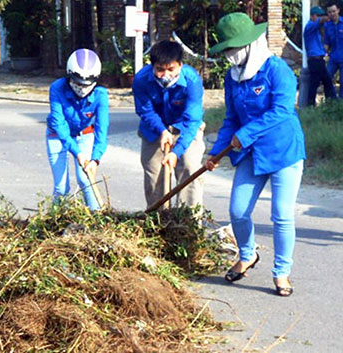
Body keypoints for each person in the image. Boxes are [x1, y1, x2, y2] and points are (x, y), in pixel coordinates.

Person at [206, 13, 305, 297]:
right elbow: (231, 119)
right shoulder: (232, 77)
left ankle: (282, 273)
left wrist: (245, 134)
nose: (228, 56)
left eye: (232, 49)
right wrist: (215, 153)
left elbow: (282, 111)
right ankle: (247, 254)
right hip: (250, 153)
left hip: (283, 150)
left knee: (282, 215)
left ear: (249, 44)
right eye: (225, 51)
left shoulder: (277, 71)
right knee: (237, 211)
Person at [131, 40, 205, 209]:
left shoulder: (192, 80)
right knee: (155, 175)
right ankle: (159, 223)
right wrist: (162, 131)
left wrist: (176, 152)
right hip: (154, 130)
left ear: (180, 65)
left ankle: (188, 223)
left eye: (171, 69)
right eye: (159, 69)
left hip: (185, 128)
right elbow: (146, 111)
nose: (165, 75)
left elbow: (192, 120)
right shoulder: (141, 80)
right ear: (152, 67)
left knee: (190, 168)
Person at [46, 48, 109, 211]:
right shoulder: (57, 88)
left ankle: (97, 219)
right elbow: (59, 124)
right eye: (77, 83)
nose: (82, 88)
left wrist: (95, 159)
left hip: (85, 135)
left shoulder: (101, 95)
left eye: (87, 85)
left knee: (86, 179)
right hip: (57, 136)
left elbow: (102, 131)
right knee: (61, 188)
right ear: (69, 76)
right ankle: (55, 220)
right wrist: (77, 153)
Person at [304, 6, 335, 105]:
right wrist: (327, 17)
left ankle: (313, 104)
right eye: (318, 15)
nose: (320, 17)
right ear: (312, 16)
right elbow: (321, 21)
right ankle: (329, 102)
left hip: (318, 60)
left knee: (319, 82)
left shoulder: (315, 29)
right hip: (315, 61)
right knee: (324, 82)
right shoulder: (310, 27)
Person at [325, 2, 343, 97]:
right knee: (327, 78)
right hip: (333, 58)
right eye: (329, 12)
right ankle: (333, 100)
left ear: (338, 11)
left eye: (334, 11)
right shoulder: (327, 26)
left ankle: (341, 104)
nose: (332, 14)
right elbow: (327, 43)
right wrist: (323, 54)